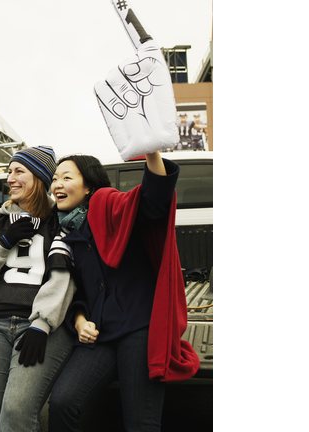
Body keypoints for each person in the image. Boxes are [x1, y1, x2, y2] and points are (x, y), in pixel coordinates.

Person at [47, 152, 199, 431]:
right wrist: (79, 320)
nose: (57, 184)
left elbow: (153, 200)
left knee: (141, 422)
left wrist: (152, 152)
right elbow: (81, 291)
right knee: (62, 402)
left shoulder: (109, 203)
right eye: (54, 179)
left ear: (89, 186)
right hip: (101, 334)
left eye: (67, 177)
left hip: (140, 327)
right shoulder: (68, 233)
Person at [0, 146, 77, 432]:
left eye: (18, 171)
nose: (10, 178)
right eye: (9, 172)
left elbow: (65, 279)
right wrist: (2, 244)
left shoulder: (61, 222)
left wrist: (42, 324)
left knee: (16, 416)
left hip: (37, 327)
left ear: (39, 177)